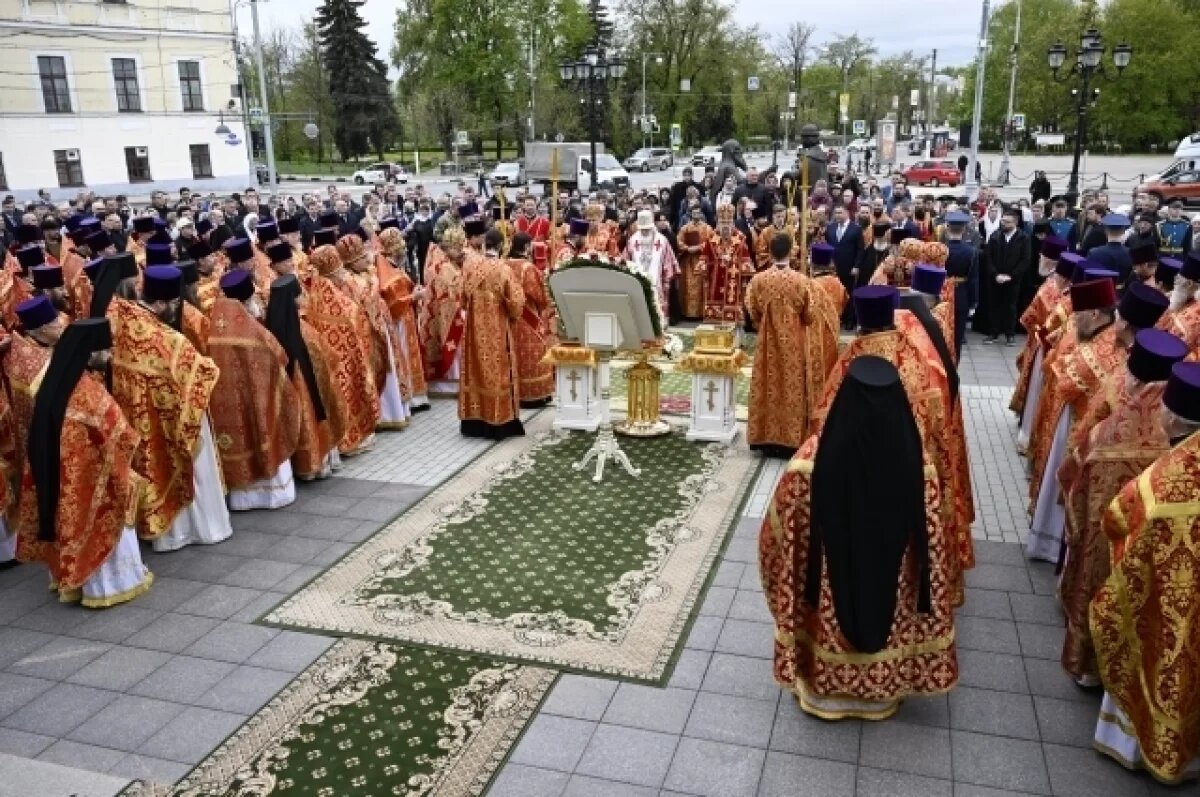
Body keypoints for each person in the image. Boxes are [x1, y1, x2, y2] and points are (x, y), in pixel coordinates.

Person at [760, 350, 955, 721]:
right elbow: (932, 548)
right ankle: (879, 689)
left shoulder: (807, 465)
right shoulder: (920, 467)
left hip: (827, 600)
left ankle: (828, 687)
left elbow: (777, 536)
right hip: (890, 595)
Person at [1056, 329, 1187, 687]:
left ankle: (1090, 664)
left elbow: (1078, 466)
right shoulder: (1183, 453)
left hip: (1111, 535)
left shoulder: (1112, 434)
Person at [1090, 362, 1200, 785]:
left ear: (1171, 417)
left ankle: (1133, 746)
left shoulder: (1166, 479)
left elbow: (1117, 519)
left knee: (1159, 652)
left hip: (1163, 602)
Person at [15, 317, 152, 608]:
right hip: (94, 476)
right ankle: (109, 586)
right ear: (91, 353)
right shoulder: (88, 393)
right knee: (103, 524)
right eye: (106, 350)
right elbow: (122, 435)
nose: (111, 355)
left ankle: (73, 584)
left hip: (65, 478)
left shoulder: (57, 380)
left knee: (71, 523)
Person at [106, 262, 232, 553]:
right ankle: (201, 528)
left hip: (139, 416)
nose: (177, 308)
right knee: (193, 467)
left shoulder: (121, 318)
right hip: (173, 419)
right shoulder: (167, 339)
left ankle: (170, 533)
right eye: (174, 303)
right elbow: (201, 375)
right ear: (161, 302)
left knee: (156, 466)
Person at [1025, 275, 1138, 563]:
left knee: (1061, 484)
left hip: (1078, 425)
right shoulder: (1099, 337)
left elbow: (1064, 382)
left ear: (1097, 314)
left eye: (1080, 315)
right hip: (1077, 418)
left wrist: (1061, 362)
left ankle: (1050, 546)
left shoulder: (1102, 346)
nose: (1075, 321)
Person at [207, 269, 300, 510]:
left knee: (241, 438)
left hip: (226, 405)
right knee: (262, 428)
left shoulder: (213, 326)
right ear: (247, 300)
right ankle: (271, 493)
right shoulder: (253, 331)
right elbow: (279, 356)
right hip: (257, 396)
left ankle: (242, 499)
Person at [266, 274, 346, 482]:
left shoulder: (270, 330)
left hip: (288, 393)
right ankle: (317, 462)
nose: (303, 299)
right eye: (299, 295)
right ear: (293, 300)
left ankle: (302, 464)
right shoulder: (304, 330)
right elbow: (327, 357)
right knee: (313, 415)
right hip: (310, 388)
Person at [745, 233, 815, 458]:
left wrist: (762, 324)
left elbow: (752, 309)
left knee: (768, 384)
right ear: (791, 251)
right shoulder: (801, 281)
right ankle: (790, 439)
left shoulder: (759, 280)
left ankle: (765, 438)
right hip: (793, 342)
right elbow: (810, 315)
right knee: (791, 386)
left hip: (767, 342)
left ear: (771, 252)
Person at [305, 245, 379, 455]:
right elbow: (349, 317)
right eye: (339, 272)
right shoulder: (328, 292)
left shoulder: (318, 290)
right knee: (346, 394)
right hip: (341, 356)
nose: (343, 276)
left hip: (337, 355)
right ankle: (347, 438)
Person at [458, 228, 524, 439]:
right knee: (498, 372)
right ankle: (498, 422)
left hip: (473, 331)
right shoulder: (503, 270)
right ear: (502, 246)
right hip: (496, 330)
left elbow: (462, 299)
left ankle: (473, 422)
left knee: (475, 370)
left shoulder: (470, 267)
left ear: (485, 245)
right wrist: (512, 315)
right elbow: (515, 304)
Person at [1009, 237, 1071, 418]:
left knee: (1037, 385)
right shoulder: (1057, 285)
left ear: (1049, 259)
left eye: (1042, 255)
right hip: (1045, 342)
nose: (1040, 257)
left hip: (1042, 345)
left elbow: (1029, 318)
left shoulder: (1051, 286)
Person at [376, 226, 430, 412]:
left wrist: (414, 296)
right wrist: (413, 298)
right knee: (405, 356)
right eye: (402, 249)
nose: (405, 251)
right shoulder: (385, 270)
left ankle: (417, 396)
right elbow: (391, 303)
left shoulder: (395, 266)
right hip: (398, 323)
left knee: (412, 355)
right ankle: (410, 398)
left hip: (407, 318)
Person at [505, 232, 554, 408]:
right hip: (527, 320)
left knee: (514, 354)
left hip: (510, 319)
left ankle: (516, 392)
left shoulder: (504, 264)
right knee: (534, 354)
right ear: (526, 247)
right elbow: (539, 296)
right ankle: (534, 394)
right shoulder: (528, 268)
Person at [420, 226, 468, 395]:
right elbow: (447, 291)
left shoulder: (454, 263)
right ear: (448, 247)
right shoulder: (440, 266)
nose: (462, 251)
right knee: (451, 344)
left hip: (456, 311)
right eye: (458, 248)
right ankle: (448, 382)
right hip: (445, 314)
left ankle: (458, 378)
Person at [980, 205, 1030, 345]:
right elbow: (988, 258)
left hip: (1013, 280)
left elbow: (1025, 260)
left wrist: (1012, 276)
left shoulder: (1023, 238)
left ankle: (1010, 334)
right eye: (1002, 221)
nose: (1003, 224)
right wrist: (995, 274)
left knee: (1010, 307)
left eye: (1007, 222)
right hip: (995, 279)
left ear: (1015, 223)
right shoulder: (995, 236)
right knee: (994, 305)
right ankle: (993, 332)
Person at [702, 203, 755, 326]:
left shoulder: (740, 238)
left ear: (732, 223)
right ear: (718, 223)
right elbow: (704, 258)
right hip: (715, 278)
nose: (725, 227)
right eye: (723, 223)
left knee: (734, 304)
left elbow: (746, 260)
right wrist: (707, 266)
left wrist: (734, 262)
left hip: (734, 279)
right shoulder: (711, 237)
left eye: (728, 223)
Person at [624, 210, 678, 318]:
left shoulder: (662, 241)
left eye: (647, 229)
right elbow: (625, 260)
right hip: (637, 282)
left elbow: (669, 261)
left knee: (656, 310)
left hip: (657, 282)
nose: (644, 231)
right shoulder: (632, 240)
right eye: (642, 229)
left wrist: (667, 279)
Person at [677, 203, 712, 320]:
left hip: (702, 260)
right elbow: (679, 242)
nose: (696, 214)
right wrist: (687, 248)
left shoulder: (707, 228)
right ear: (690, 213)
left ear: (701, 213)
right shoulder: (685, 228)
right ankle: (689, 313)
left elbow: (711, 242)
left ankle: (702, 312)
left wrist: (699, 247)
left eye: (698, 212)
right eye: (694, 212)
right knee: (689, 286)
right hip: (688, 261)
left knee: (702, 286)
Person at [1159, 251, 1200, 349]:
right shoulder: (1179, 296)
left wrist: (1172, 307)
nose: (1176, 282)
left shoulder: (1194, 313)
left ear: (1189, 284)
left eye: (1178, 279)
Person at [1087, 213, 1135, 287]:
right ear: (1123, 232)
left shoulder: (1094, 253)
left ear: (1105, 231)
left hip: (1099, 291)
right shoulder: (1132, 254)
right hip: (1121, 294)